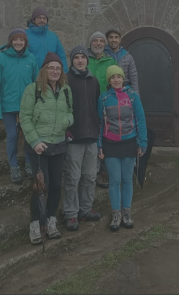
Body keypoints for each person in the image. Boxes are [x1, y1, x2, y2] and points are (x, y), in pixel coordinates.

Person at [19, 52, 73, 244]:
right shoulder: (32, 90)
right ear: (44, 70)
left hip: (58, 143)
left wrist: (67, 121)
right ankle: (35, 224)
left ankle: (51, 221)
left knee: (57, 185)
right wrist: (35, 142)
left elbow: (70, 111)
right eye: (51, 68)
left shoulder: (66, 90)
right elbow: (24, 118)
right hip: (39, 146)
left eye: (58, 68)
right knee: (42, 186)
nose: (55, 71)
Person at [98, 65, 147, 232]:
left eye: (119, 76)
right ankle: (116, 214)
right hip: (110, 144)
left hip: (129, 142)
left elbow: (140, 119)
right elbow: (100, 123)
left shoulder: (132, 96)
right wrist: (99, 145)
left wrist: (143, 142)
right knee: (114, 181)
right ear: (109, 80)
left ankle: (127, 213)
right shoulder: (104, 98)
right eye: (113, 77)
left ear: (123, 78)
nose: (117, 80)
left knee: (127, 180)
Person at [0, 28, 38, 184]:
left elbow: (37, 84)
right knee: (12, 136)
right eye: (15, 40)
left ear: (25, 42)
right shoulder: (1, 58)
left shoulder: (31, 59)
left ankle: (30, 164)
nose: (18, 42)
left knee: (29, 136)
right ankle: (14, 166)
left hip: (27, 106)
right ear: (10, 42)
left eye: (21, 40)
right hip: (8, 105)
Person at [62, 45, 103, 231]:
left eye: (83, 57)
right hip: (74, 136)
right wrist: (67, 130)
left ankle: (86, 209)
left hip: (92, 135)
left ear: (87, 60)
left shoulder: (94, 81)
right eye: (76, 57)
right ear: (72, 60)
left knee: (90, 176)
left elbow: (95, 106)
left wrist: (97, 128)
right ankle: (71, 213)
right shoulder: (66, 80)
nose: (80, 60)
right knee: (73, 177)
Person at [86, 31, 117, 188]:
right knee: (93, 137)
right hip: (88, 104)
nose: (98, 43)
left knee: (106, 136)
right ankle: (94, 172)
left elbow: (114, 81)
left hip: (106, 104)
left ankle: (105, 171)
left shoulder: (110, 61)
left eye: (101, 41)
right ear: (90, 43)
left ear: (105, 44)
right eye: (95, 40)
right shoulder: (84, 59)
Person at [26, 6, 68, 73]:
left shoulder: (53, 37)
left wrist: (64, 73)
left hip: (50, 75)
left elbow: (61, 56)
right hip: (31, 75)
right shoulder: (25, 35)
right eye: (39, 17)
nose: (42, 20)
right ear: (33, 20)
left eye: (44, 18)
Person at [104, 29, 140, 96]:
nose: (114, 40)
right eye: (111, 37)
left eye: (116, 37)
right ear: (107, 39)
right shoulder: (103, 55)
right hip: (107, 93)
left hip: (125, 92)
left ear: (120, 39)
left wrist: (136, 97)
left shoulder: (127, 57)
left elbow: (134, 79)